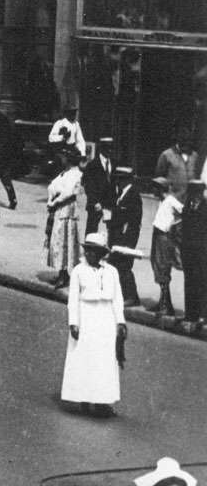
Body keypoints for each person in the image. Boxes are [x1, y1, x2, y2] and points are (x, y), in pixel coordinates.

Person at [61, 234, 126, 418]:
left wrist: (120, 321)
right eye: (87, 250)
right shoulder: (78, 271)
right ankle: (84, 398)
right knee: (85, 358)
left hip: (105, 318)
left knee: (103, 360)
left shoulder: (112, 271)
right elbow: (73, 299)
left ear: (101, 253)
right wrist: (74, 322)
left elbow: (117, 298)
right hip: (87, 316)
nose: (89, 254)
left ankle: (102, 401)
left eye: (93, 251)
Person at [45, 145, 84, 289]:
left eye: (63, 157)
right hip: (59, 210)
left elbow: (68, 192)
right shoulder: (64, 173)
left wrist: (54, 201)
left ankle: (65, 274)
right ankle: (62, 272)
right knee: (57, 240)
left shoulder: (76, 174)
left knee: (65, 241)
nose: (61, 160)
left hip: (68, 211)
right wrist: (51, 200)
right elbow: (52, 186)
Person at [109, 166, 143, 306]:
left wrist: (127, 239)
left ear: (125, 179)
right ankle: (121, 293)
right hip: (118, 235)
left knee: (124, 266)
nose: (117, 181)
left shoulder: (133, 195)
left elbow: (134, 221)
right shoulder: (122, 193)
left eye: (119, 178)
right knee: (115, 264)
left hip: (127, 236)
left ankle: (132, 296)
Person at [151, 176, 185, 317]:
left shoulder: (171, 201)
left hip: (165, 238)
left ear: (161, 188)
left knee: (163, 267)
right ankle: (164, 302)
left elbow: (183, 213)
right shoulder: (162, 201)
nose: (153, 190)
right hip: (157, 236)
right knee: (157, 267)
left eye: (155, 187)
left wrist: (175, 227)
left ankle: (166, 306)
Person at [182, 179, 207, 328]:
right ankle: (190, 313)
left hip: (202, 252)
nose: (194, 196)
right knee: (189, 282)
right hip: (188, 252)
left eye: (197, 192)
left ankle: (203, 315)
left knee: (202, 283)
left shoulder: (205, 207)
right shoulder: (188, 206)